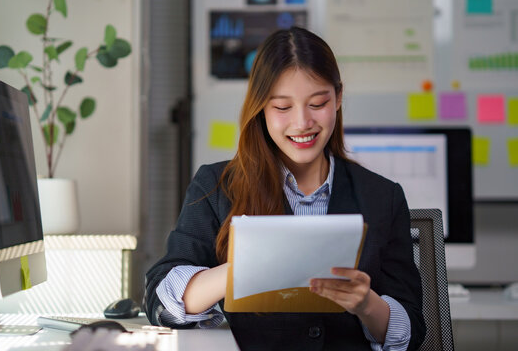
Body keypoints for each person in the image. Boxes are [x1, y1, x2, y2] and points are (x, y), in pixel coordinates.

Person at [144, 26, 426, 351]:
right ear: (261, 108)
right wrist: (243, 270)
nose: (302, 122)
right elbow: (160, 301)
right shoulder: (217, 186)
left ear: (338, 98)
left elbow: (414, 330)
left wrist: (367, 304)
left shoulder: (383, 197)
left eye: (318, 103)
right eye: (282, 108)